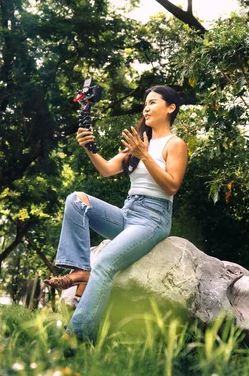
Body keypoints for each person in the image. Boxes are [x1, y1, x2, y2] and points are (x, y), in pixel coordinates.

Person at [44, 85, 188, 341]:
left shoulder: (174, 144)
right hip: (127, 212)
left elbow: (172, 185)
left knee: (106, 264)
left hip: (153, 218)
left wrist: (145, 156)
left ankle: (76, 337)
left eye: (153, 102)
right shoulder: (140, 142)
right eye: (145, 103)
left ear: (171, 108)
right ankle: (79, 269)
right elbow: (107, 169)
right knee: (76, 201)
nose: (146, 107)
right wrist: (90, 148)